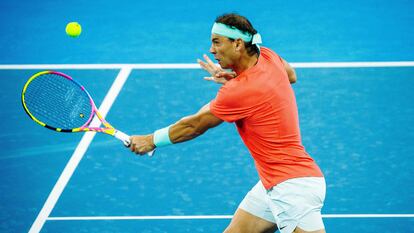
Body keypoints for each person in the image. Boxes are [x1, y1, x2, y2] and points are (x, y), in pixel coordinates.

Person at [129, 13, 326, 233]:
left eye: (217, 42)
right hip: (276, 181)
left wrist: (151, 140)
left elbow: (194, 125)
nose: (212, 50)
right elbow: (290, 76)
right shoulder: (267, 56)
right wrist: (237, 78)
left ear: (238, 44)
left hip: (291, 189)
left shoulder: (240, 91)